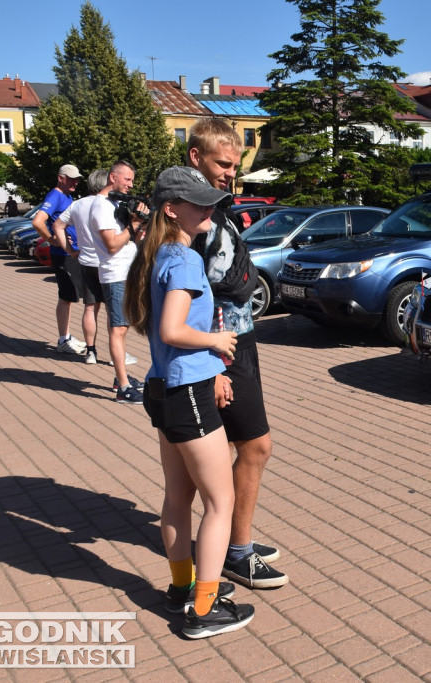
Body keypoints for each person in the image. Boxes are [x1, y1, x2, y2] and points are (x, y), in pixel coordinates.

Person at [123, 165, 253, 639]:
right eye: (199, 203)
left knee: (178, 498)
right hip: (185, 395)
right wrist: (218, 341)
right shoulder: (182, 259)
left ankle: (182, 590)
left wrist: (209, 366)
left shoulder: (157, 253)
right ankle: (203, 608)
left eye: (210, 202)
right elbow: (172, 330)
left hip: (164, 391)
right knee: (222, 502)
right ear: (171, 209)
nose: (209, 209)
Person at [186, 119, 287, 589]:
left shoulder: (215, 209)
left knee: (232, 447)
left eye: (234, 164)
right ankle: (236, 552)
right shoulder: (192, 218)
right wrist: (211, 366)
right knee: (256, 447)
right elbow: (186, 297)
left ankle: (227, 538)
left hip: (238, 340)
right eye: (222, 164)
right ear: (195, 158)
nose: (230, 172)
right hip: (220, 348)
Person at [88, 161, 144, 403]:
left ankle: (120, 377)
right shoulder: (100, 206)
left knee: (123, 328)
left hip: (125, 272)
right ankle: (122, 387)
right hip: (115, 274)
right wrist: (133, 225)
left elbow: (129, 238)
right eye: (127, 180)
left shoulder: (114, 203)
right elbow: (112, 244)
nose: (131, 185)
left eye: (132, 180)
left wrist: (138, 221)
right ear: (113, 177)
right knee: (118, 330)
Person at [52, 169, 109, 365]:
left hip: (86, 261)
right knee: (113, 310)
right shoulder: (107, 204)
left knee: (90, 307)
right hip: (107, 264)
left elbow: (57, 225)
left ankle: (90, 351)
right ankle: (116, 352)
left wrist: (70, 250)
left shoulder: (77, 204)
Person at [32, 164, 87, 355]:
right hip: (63, 255)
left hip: (70, 253)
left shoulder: (66, 195)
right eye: (71, 178)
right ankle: (63, 339)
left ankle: (67, 336)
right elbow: (37, 221)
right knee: (66, 297)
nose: (75, 182)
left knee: (70, 297)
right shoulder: (55, 195)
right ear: (60, 178)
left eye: (77, 178)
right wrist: (51, 240)